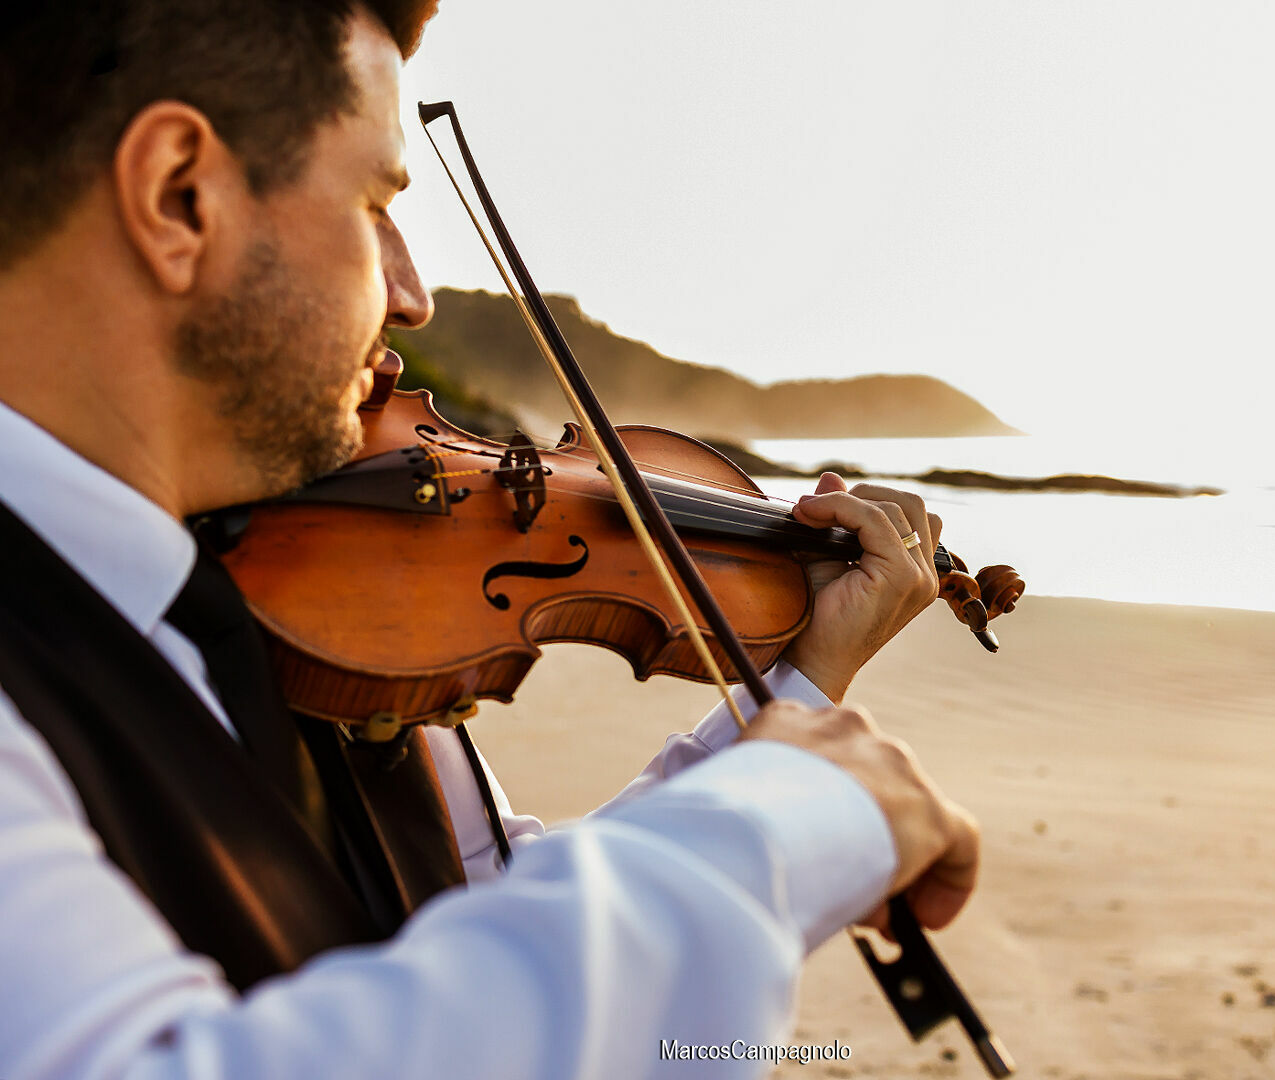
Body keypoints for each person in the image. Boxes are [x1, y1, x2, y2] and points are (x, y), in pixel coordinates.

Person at [0, 2, 982, 1077]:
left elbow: (472, 925)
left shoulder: (309, 603)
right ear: (179, 195)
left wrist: (799, 687)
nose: (412, 295)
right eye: (376, 202)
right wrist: (771, 833)